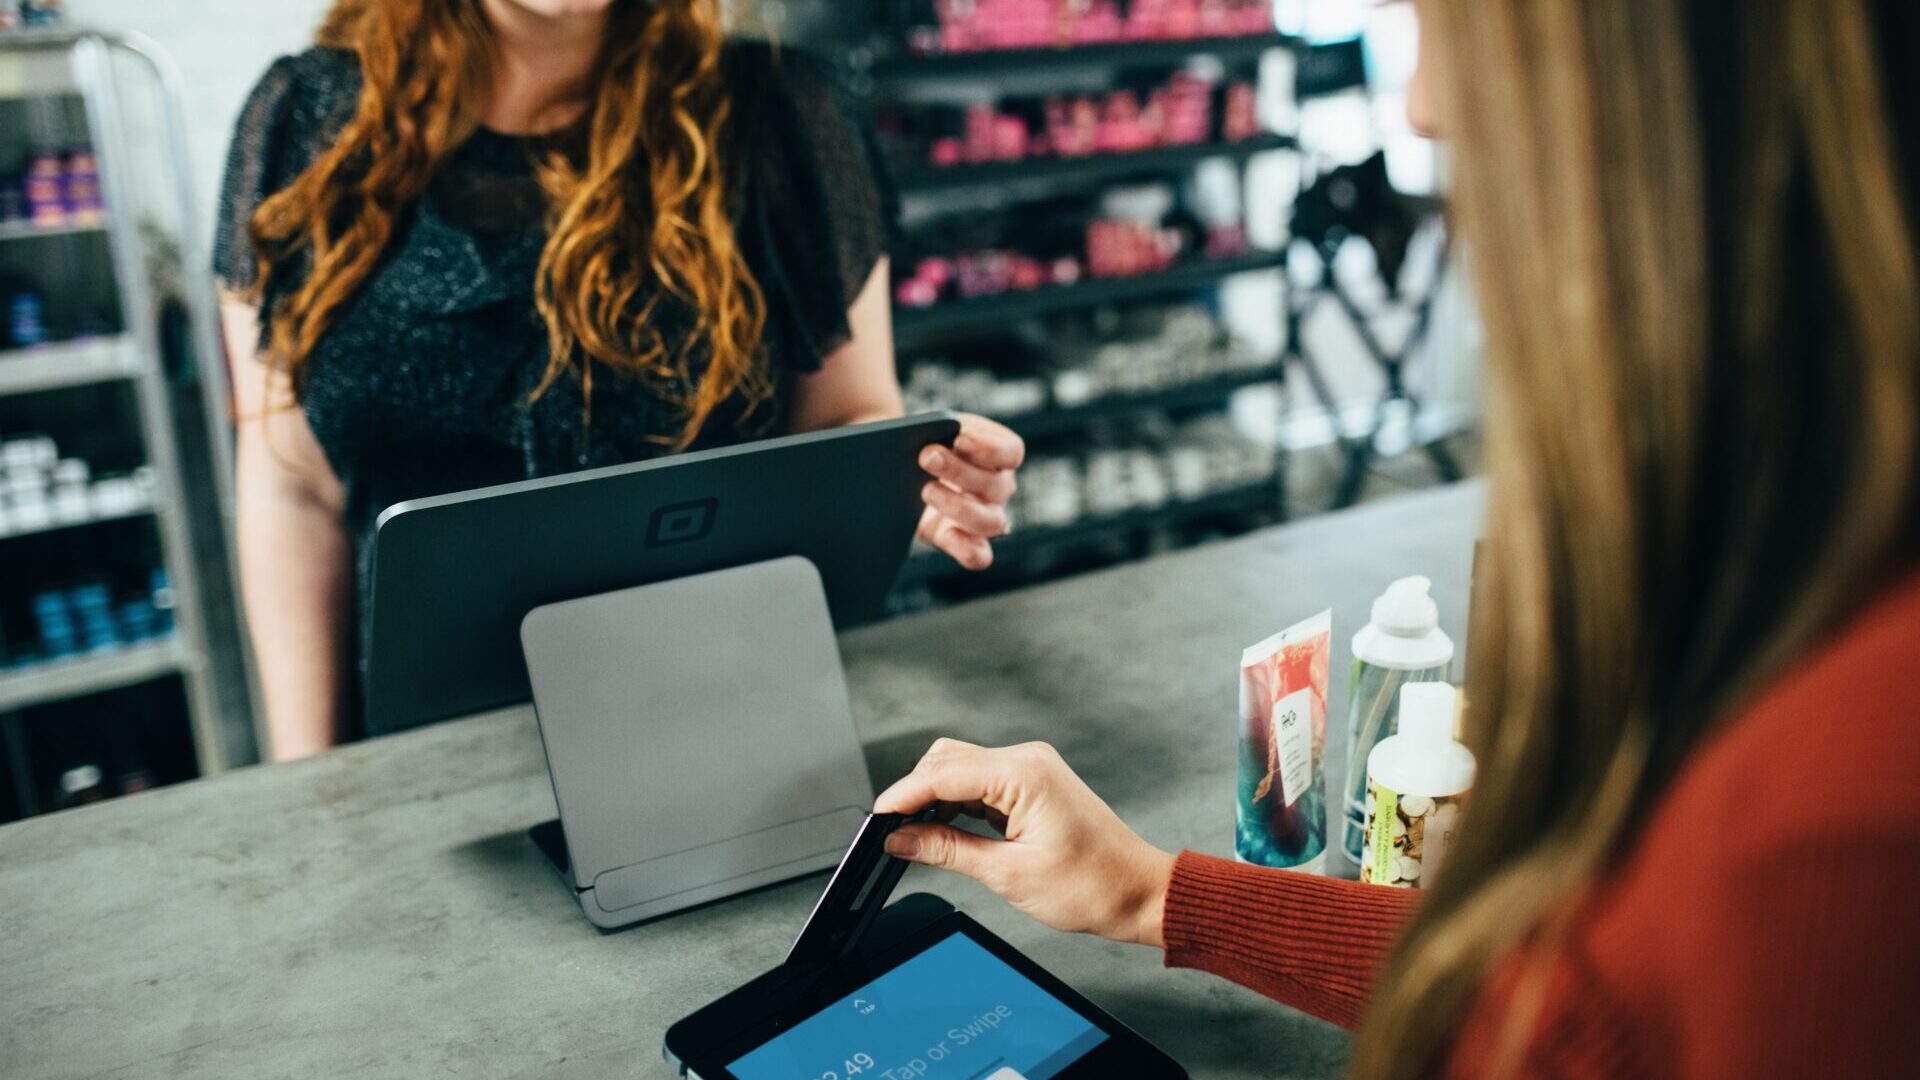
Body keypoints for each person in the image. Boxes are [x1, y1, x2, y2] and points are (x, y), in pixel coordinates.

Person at [875, 1, 1920, 1076]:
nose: (1421, 105)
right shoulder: (1781, 602)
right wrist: (1151, 891)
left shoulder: (1836, 821)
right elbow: (1576, 989)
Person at [214, 0, 1024, 760]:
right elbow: (293, 491)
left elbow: (847, 414)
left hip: (717, 725)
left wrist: (909, 475)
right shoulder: (303, 123)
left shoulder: (778, 115)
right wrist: (311, 782)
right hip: (412, 749)